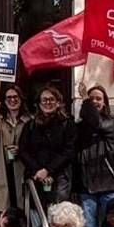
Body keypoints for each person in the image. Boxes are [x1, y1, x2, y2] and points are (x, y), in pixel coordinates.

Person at [74, 82, 114, 227]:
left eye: (98, 99)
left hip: (109, 185)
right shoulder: (79, 127)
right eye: (91, 98)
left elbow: (96, 122)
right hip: (87, 186)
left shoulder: (110, 122)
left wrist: (85, 99)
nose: (94, 101)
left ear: (105, 102)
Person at [18, 83, 74, 211]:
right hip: (35, 177)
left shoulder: (67, 124)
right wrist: (38, 170)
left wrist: (48, 170)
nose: (48, 103)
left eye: (51, 99)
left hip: (59, 179)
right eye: (44, 100)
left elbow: (69, 151)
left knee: (59, 215)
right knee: (36, 214)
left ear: (58, 102)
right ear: (39, 104)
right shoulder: (30, 126)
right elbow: (23, 150)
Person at [0, 84, 28, 216]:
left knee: (22, 212)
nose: (12, 100)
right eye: (8, 97)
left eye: (15, 97)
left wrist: (21, 150)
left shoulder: (29, 120)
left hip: (22, 170)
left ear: (21, 99)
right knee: (3, 213)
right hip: (3, 170)